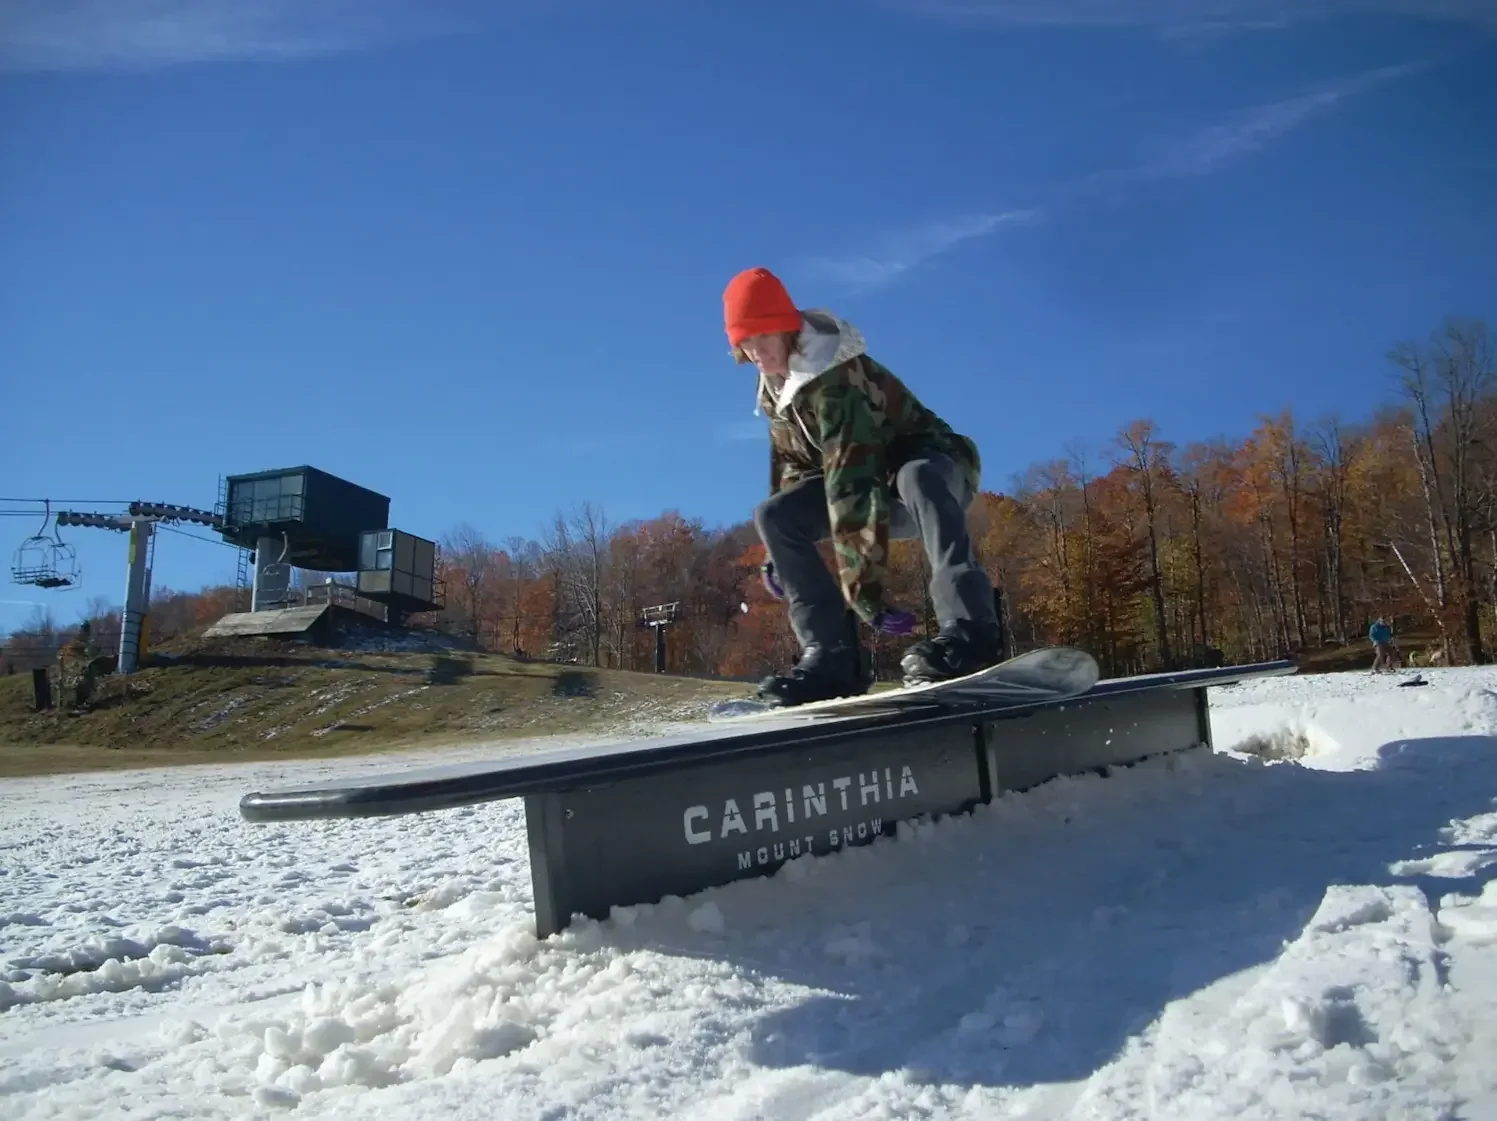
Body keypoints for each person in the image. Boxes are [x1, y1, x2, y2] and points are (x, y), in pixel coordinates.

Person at [723, 266, 1004, 706]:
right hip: (863, 483)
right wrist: (780, 557)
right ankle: (832, 657)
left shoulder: (835, 381)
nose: (756, 352)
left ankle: (971, 629)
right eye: (745, 342)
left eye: (763, 338)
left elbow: (851, 483)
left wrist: (865, 593)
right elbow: (797, 469)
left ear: (787, 328)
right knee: (774, 516)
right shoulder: (775, 389)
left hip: (933, 469)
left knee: (915, 475)